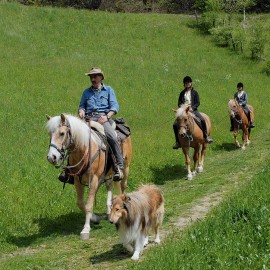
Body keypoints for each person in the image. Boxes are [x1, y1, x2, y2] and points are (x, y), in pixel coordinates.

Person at [78, 67, 124, 181]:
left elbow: (115, 106)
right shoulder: (86, 92)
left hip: (102, 119)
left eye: (95, 76)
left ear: (101, 77)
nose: (93, 79)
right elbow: (82, 106)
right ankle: (69, 170)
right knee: (73, 136)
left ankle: (118, 166)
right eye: (91, 77)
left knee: (112, 136)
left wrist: (107, 116)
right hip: (88, 119)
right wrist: (81, 111)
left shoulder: (108, 90)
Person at [173, 76, 213, 149]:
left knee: (202, 120)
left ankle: (206, 136)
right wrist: (182, 108)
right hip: (184, 111)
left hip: (193, 111)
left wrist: (192, 108)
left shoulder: (195, 92)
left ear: (191, 83)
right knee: (175, 124)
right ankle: (178, 142)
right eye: (186, 83)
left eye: (188, 82)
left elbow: (197, 103)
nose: (187, 84)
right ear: (184, 84)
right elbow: (179, 103)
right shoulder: (182, 93)